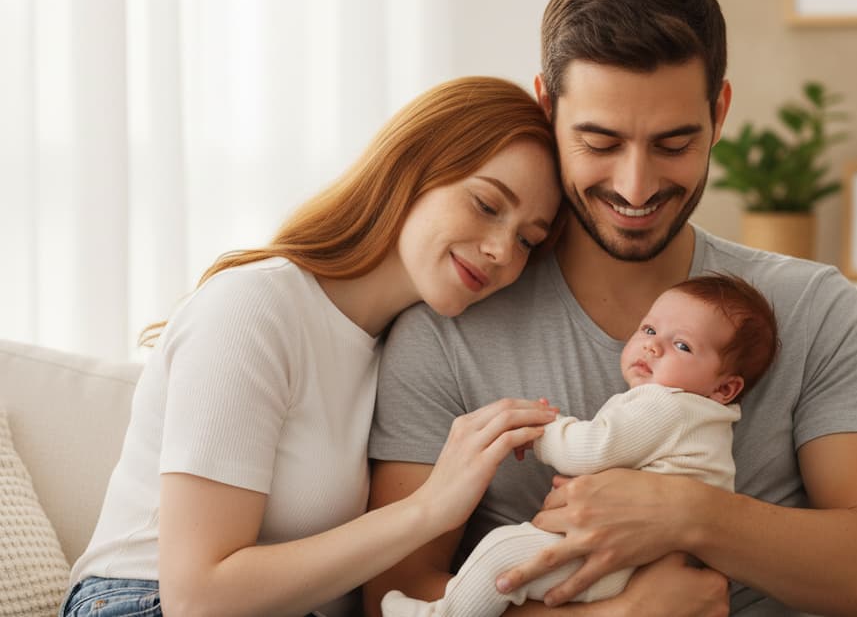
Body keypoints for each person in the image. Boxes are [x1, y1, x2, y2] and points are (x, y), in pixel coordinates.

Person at [366, 0, 857, 617]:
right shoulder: (448, 328)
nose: (635, 186)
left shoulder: (812, 307)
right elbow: (393, 598)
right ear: (547, 107)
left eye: (674, 143)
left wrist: (686, 513)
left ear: (720, 113)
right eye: (600, 142)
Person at [60, 76, 564, 617]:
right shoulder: (255, 306)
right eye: (487, 204)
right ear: (410, 168)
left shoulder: (397, 350)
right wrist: (427, 509)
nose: (500, 252)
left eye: (527, 241)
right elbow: (197, 597)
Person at [380, 274, 778, 617]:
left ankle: (441, 613)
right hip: (641, 564)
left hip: (617, 562)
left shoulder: (667, 405)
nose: (652, 347)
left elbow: (591, 450)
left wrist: (544, 429)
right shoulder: (702, 421)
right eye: (650, 330)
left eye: (683, 346)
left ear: (724, 388)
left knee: (502, 550)